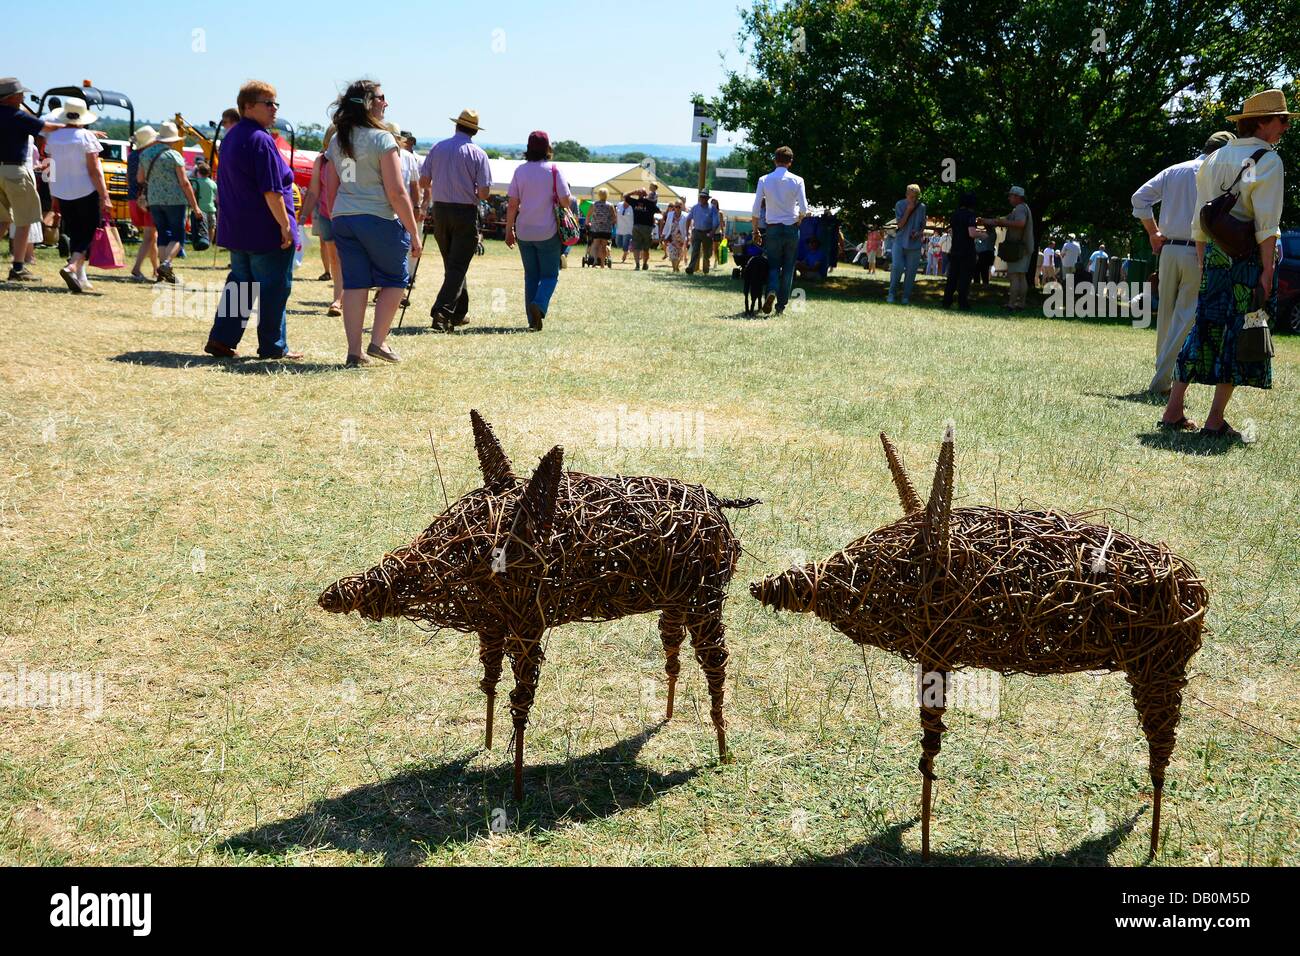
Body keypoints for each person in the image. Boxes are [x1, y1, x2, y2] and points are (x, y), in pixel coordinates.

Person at [1160, 90, 1291, 439]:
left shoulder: (1215, 157)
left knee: (1201, 330)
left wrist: (1204, 261)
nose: (1286, 127)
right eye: (1283, 120)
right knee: (1241, 333)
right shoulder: (1268, 160)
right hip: (1246, 260)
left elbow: (1200, 219)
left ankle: (1173, 410)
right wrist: (1267, 271)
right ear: (1263, 121)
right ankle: (1215, 419)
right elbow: (1266, 226)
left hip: (1214, 257)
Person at [322, 80, 423, 365]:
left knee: (354, 284)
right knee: (395, 279)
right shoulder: (382, 139)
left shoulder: (336, 139)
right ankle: (378, 342)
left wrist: (338, 214)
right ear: (369, 103)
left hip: (344, 217)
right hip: (379, 218)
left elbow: (331, 186)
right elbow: (396, 191)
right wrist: (414, 233)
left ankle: (355, 351)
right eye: (381, 98)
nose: (385, 103)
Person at [203, 81, 305, 361]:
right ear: (248, 106)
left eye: (275, 104)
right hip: (264, 229)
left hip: (238, 228)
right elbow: (272, 190)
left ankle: (222, 339)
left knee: (240, 284)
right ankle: (274, 346)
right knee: (274, 288)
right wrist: (285, 226)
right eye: (268, 103)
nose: (274, 109)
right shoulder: (261, 139)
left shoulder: (234, 136)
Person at [1131, 131, 1233, 395]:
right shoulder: (1221, 175)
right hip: (1197, 251)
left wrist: (1153, 232)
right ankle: (1162, 380)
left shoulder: (1175, 170)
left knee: (1166, 316)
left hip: (1168, 251)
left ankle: (1161, 376)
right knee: (1186, 316)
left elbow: (1139, 199)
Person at [419, 108, 490, 330]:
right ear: (474, 131)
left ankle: (459, 312)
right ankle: (441, 312)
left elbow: (423, 181)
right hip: (465, 212)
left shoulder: (437, 147)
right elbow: (485, 193)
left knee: (453, 265)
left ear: (456, 125)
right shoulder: (478, 153)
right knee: (457, 266)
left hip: (440, 210)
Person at [42, 97, 113, 293]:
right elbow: (94, 170)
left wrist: (54, 195)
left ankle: (79, 275)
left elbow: (51, 168)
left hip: (62, 192)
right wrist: (105, 196)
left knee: (75, 233)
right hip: (86, 191)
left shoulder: (53, 138)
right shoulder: (86, 137)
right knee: (88, 233)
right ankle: (72, 266)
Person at [1, 77, 67, 282]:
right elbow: (46, 127)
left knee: (2, 220)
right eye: (20, 94)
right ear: (11, 98)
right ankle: (18, 267)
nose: (23, 97)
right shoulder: (17, 116)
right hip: (15, 171)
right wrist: (71, 126)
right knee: (26, 219)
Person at [505, 130, 571, 331]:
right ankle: (539, 305)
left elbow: (512, 204)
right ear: (547, 148)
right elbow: (566, 201)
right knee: (550, 275)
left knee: (531, 276)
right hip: (548, 231)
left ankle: (532, 320)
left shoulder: (520, 171)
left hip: (524, 231)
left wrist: (509, 230)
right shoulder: (553, 170)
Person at [138, 121, 203, 283]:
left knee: (163, 235)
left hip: (154, 200)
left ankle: (163, 270)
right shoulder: (174, 156)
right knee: (178, 237)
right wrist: (195, 206)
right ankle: (166, 264)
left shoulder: (145, 154)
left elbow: (140, 178)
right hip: (175, 200)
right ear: (173, 139)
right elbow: (185, 183)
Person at [751, 146, 808, 315]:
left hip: (773, 228)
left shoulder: (764, 179)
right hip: (791, 228)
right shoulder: (798, 180)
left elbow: (755, 209)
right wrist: (798, 221)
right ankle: (780, 306)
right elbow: (804, 208)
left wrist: (755, 230)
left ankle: (771, 291)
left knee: (774, 265)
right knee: (789, 268)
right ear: (790, 162)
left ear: (775, 160)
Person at [299, 125, 343, 317]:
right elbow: (313, 191)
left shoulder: (351, 159)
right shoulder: (321, 160)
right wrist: (301, 218)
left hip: (347, 216)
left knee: (344, 259)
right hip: (326, 215)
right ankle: (338, 299)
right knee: (335, 259)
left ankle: (341, 299)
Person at [982, 186, 1034, 311]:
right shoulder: (1022, 208)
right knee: (1021, 276)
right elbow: (1005, 219)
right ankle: (1020, 304)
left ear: (1017, 197)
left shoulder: (1020, 209)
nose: (1009, 198)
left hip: (1018, 248)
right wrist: (990, 221)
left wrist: (1001, 223)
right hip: (1024, 247)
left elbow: (1020, 223)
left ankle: (1012, 304)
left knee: (1014, 276)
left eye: (1011, 195)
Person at [126, 126, 159, 281]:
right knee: (149, 237)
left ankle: (156, 269)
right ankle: (137, 268)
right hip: (147, 199)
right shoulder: (149, 156)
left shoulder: (132, 155)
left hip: (133, 198)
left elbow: (129, 178)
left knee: (152, 236)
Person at [943, 191, 983, 310]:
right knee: (965, 277)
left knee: (952, 277)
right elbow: (971, 233)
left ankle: (947, 301)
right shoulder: (971, 215)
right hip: (967, 250)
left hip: (955, 248)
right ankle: (962, 302)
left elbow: (953, 232)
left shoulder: (954, 214)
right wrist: (982, 235)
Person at [888, 184, 925, 304]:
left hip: (914, 245)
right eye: (911, 196)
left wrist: (918, 233)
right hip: (900, 241)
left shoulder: (922, 207)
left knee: (911, 272)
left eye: (915, 197)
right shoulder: (900, 204)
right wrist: (908, 210)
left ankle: (905, 297)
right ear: (906, 195)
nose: (913, 199)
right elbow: (900, 225)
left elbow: (923, 224)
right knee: (897, 267)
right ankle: (891, 294)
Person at [685, 189, 719, 274]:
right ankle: (691, 268)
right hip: (696, 231)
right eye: (701, 197)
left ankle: (706, 269)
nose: (702, 199)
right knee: (695, 251)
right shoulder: (695, 207)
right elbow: (688, 219)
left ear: (707, 198)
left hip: (707, 232)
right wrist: (687, 231)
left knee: (707, 253)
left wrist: (712, 232)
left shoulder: (712, 208)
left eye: (704, 197)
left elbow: (716, 222)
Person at [624, 186, 658, 270]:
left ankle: (637, 264)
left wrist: (633, 192)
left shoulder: (634, 202)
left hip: (636, 227)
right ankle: (644, 264)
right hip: (647, 227)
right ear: (645, 194)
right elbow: (658, 211)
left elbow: (625, 196)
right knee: (646, 248)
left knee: (636, 247)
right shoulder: (650, 203)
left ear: (638, 194)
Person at [586, 186, 616, 267]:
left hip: (596, 229)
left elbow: (588, 216)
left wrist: (588, 223)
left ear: (599, 195)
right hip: (606, 229)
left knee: (595, 245)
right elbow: (614, 218)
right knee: (604, 246)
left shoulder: (594, 204)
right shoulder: (610, 205)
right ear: (607, 195)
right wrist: (611, 223)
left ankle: (595, 260)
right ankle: (602, 263)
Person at [191, 161, 218, 244]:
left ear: (198, 172)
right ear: (209, 173)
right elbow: (217, 195)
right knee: (212, 226)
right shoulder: (212, 183)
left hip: (200, 209)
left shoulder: (196, 182)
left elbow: (193, 192)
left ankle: (202, 241)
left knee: (200, 227)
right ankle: (209, 242)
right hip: (211, 208)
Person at [615, 195, 633, 263]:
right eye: (625, 198)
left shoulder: (632, 207)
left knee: (625, 245)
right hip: (619, 228)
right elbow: (616, 213)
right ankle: (627, 250)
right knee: (618, 243)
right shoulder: (619, 204)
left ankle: (625, 254)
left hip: (628, 229)